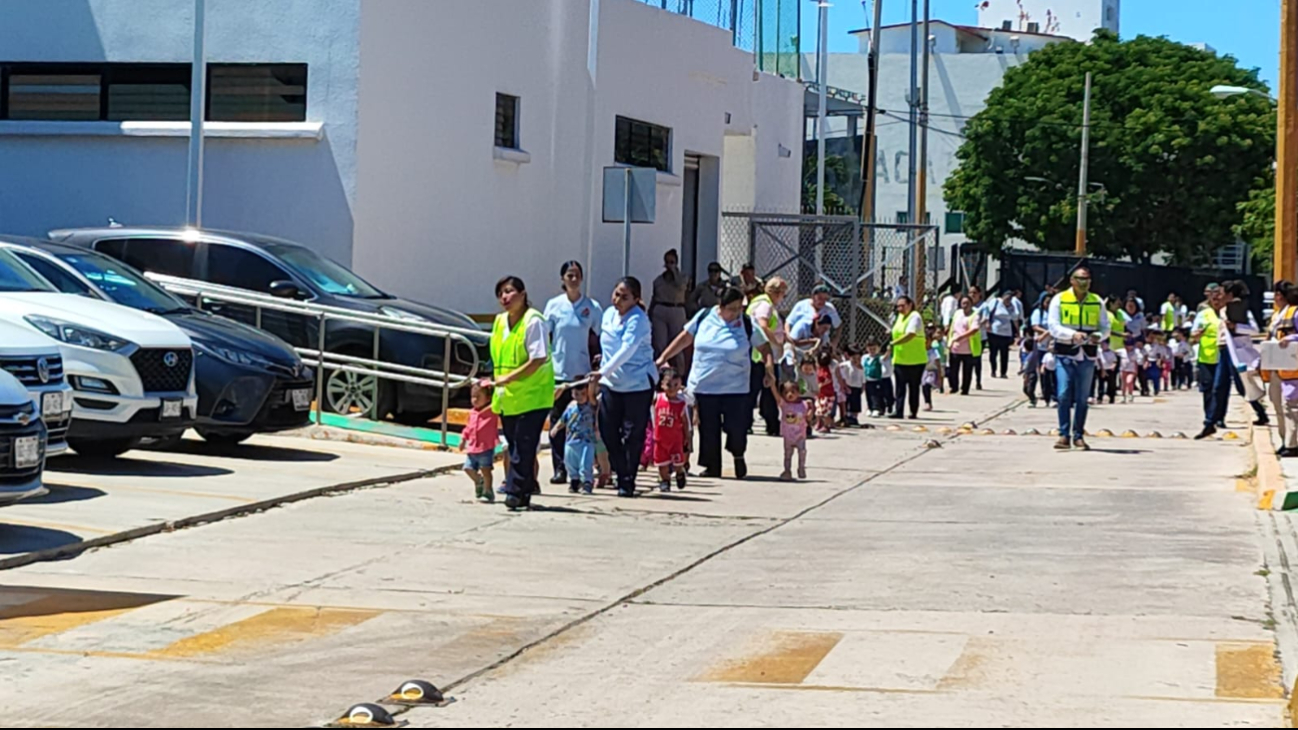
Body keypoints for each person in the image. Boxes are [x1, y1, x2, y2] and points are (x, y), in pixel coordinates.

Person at [657, 286, 772, 479]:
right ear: (721, 306)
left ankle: (737, 454)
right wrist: (663, 357)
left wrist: (769, 369)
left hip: (736, 386)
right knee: (708, 428)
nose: (736, 313)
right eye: (732, 308)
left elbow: (764, 346)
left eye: (739, 308)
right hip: (705, 384)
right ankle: (712, 465)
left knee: (737, 426)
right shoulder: (704, 317)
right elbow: (685, 338)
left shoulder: (746, 322)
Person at [486, 276, 556, 511]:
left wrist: (510, 377)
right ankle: (525, 489)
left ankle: (514, 492)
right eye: (501, 294)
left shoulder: (533, 321)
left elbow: (539, 358)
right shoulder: (499, 322)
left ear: (523, 294)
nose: (504, 298)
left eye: (509, 292)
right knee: (515, 445)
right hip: (509, 398)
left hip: (532, 396)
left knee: (524, 447)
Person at [597, 277, 658, 497]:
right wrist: (602, 366)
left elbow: (627, 349)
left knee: (633, 434)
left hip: (637, 383)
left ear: (635, 299)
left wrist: (604, 371)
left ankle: (627, 478)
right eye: (616, 294)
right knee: (607, 430)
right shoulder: (607, 315)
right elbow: (607, 346)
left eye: (625, 297)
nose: (618, 300)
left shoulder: (638, 320)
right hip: (612, 384)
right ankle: (620, 469)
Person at [544, 261, 602, 486]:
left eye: (577, 275)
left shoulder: (591, 307)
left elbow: (602, 336)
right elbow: (545, 338)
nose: (574, 279)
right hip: (559, 375)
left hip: (582, 376)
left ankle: (582, 469)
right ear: (562, 279)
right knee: (558, 423)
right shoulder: (554, 305)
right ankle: (560, 469)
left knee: (582, 425)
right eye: (570, 275)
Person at [1048, 267, 1110, 451]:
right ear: (1072, 280)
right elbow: (1053, 326)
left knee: (1083, 398)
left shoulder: (1096, 301)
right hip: (1065, 352)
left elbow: (1105, 326)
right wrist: (1072, 334)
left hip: (1088, 354)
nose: (1084, 282)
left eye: (1087, 279)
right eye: (1080, 279)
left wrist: (1099, 335)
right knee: (1063, 393)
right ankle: (1064, 435)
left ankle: (1079, 435)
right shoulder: (1059, 299)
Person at [747, 277, 789, 436]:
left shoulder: (758, 301)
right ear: (776, 293)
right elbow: (762, 325)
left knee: (756, 390)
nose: (782, 298)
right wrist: (776, 342)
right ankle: (770, 423)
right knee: (767, 390)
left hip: (757, 354)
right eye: (783, 295)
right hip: (761, 355)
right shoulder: (765, 305)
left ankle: (761, 421)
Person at [1264, 281, 1298, 457]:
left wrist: (1291, 338)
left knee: (1290, 406)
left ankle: (1292, 444)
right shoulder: (1277, 315)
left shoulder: (1295, 313)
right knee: (1277, 403)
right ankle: (1286, 441)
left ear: (1280, 295)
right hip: (1276, 365)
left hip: (1291, 366)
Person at [550, 381, 597, 495]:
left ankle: (587, 482)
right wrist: (556, 428)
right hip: (571, 440)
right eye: (577, 394)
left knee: (585, 462)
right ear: (572, 394)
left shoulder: (590, 405)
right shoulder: (571, 406)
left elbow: (592, 395)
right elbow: (563, 419)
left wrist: (590, 383)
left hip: (587, 440)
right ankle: (574, 480)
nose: (580, 397)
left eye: (583, 394)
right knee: (570, 462)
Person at [1192, 283, 1226, 439]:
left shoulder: (1229, 313)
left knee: (1219, 389)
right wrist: (1197, 333)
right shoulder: (1204, 314)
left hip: (1223, 356)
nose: (1216, 301)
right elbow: (1193, 333)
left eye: (1219, 298)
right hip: (1206, 356)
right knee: (1207, 388)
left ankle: (1218, 418)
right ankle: (1209, 418)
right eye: (1213, 299)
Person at [651, 368, 691, 492]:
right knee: (662, 464)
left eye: (676, 385)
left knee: (678, 462)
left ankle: (680, 473)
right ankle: (665, 480)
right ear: (662, 384)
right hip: (660, 439)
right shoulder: (658, 398)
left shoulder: (681, 403)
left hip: (675, 440)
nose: (672, 388)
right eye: (668, 385)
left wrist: (687, 437)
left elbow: (685, 422)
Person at [651, 249, 689, 370]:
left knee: (676, 343)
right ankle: (661, 373)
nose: (669, 264)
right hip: (661, 309)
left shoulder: (683, 278)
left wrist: (674, 272)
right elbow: (655, 297)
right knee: (660, 344)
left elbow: (681, 286)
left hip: (676, 309)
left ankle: (680, 374)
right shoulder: (658, 280)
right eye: (667, 262)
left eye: (672, 262)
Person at [461, 382, 499, 504]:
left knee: (486, 469)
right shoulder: (472, 413)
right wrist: (463, 440)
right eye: (473, 396)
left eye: (478, 397)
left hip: (486, 446)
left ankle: (488, 491)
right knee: (468, 468)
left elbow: (498, 400)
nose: (475, 400)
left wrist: (491, 385)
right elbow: (468, 428)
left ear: (487, 398)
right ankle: (479, 481)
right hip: (472, 447)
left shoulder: (492, 410)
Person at [890, 296, 927, 420]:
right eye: (898, 306)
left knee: (913, 387)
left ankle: (913, 411)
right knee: (900, 387)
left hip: (915, 359)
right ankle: (898, 411)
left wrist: (894, 343)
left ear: (910, 305)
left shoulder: (915, 317)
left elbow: (911, 334)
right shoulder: (900, 317)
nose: (900, 308)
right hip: (900, 358)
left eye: (903, 306)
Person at [768, 378, 809, 481]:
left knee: (802, 452)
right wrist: (772, 385)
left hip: (800, 434)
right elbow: (776, 396)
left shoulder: (804, 404)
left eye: (793, 392)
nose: (789, 394)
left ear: (798, 392)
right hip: (788, 435)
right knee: (787, 454)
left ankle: (801, 468)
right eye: (786, 392)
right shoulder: (784, 404)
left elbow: (808, 416)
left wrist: (811, 411)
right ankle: (787, 471)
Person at [948, 295, 981, 396]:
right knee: (953, 369)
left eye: (967, 303)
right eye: (963, 303)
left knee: (967, 371)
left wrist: (961, 337)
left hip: (968, 348)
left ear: (971, 304)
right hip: (955, 346)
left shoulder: (975, 315)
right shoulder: (957, 313)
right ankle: (954, 387)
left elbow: (974, 329)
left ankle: (965, 389)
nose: (965, 305)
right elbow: (952, 326)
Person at [982, 290, 1017, 378]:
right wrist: (987, 323)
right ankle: (993, 370)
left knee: (1004, 354)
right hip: (994, 331)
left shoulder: (1011, 306)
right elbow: (988, 313)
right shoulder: (996, 302)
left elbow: (1015, 318)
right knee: (993, 352)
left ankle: (1003, 372)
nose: (1008, 299)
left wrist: (1017, 331)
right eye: (1007, 297)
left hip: (1006, 333)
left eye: (1010, 298)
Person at [840, 345, 865, 425]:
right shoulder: (846, 365)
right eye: (854, 358)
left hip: (857, 387)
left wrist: (863, 387)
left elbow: (863, 379)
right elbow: (842, 375)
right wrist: (844, 386)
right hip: (848, 386)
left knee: (856, 403)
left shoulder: (861, 367)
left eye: (858, 359)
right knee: (847, 402)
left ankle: (854, 417)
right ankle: (846, 416)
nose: (856, 361)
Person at [968, 286, 987, 389]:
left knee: (976, 359)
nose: (972, 295)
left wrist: (975, 326)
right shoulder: (967, 305)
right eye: (970, 292)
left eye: (974, 292)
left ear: (979, 294)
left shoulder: (983, 306)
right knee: (968, 360)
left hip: (979, 337)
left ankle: (978, 381)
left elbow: (985, 319)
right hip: (967, 336)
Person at [863, 341, 886, 417]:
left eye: (874, 349)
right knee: (868, 394)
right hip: (867, 379)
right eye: (870, 349)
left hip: (876, 380)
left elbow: (885, 357)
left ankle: (876, 408)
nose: (872, 351)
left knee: (876, 395)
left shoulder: (879, 357)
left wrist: (889, 350)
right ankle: (869, 408)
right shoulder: (865, 357)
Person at [1119, 338, 1142, 403]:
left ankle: (1130, 394)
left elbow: (1138, 360)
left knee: (1129, 381)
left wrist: (1136, 370)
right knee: (1123, 384)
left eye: (1130, 345)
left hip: (1132, 369)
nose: (1128, 347)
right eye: (1127, 345)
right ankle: (1123, 396)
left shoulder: (1136, 351)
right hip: (1123, 369)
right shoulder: (1122, 351)